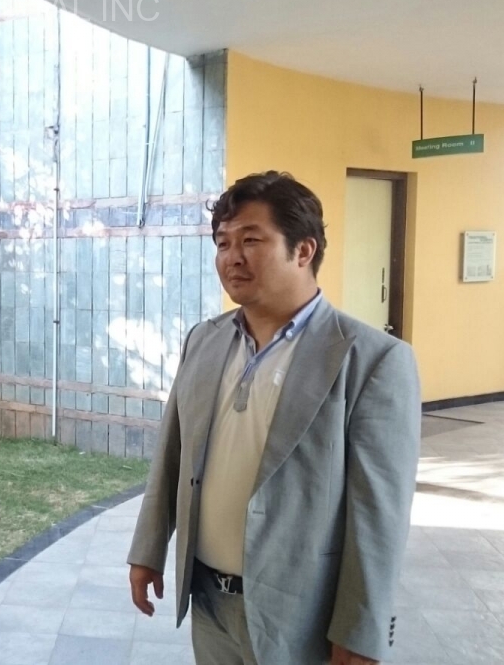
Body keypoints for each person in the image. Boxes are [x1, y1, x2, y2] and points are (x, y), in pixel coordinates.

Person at [127, 172, 421, 665]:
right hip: (209, 602)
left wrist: (361, 628)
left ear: (303, 251)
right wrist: (148, 549)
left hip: (302, 616)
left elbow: (379, 513)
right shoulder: (204, 339)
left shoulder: (371, 360)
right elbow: (172, 455)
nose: (232, 257)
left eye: (251, 240)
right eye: (223, 242)